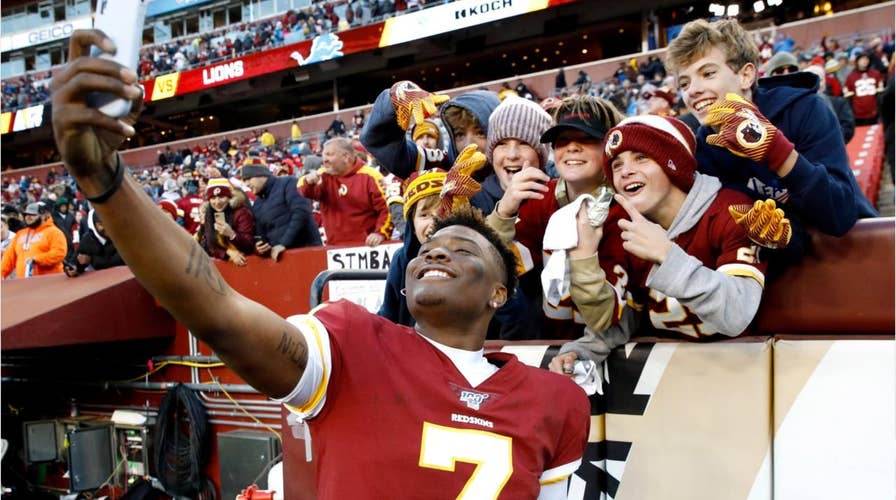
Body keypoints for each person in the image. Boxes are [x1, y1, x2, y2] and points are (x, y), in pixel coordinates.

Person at [49, 29, 591, 497]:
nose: (438, 249)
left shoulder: (553, 399)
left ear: (501, 292)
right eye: (426, 248)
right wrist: (106, 181)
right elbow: (215, 309)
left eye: (465, 248)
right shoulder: (351, 344)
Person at [548, 115, 767, 372]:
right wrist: (583, 352)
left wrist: (667, 254)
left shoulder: (733, 209)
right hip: (673, 376)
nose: (625, 171)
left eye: (641, 157)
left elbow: (736, 312)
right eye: (616, 165)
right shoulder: (625, 227)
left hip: (751, 372)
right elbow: (629, 317)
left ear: (674, 164)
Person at [665, 18, 876, 270]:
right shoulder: (703, 153)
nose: (693, 90)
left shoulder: (805, 109)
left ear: (746, 75)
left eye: (708, 73)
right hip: (795, 282)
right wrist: (777, 236)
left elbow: (839, 215)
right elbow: (786, 238)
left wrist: (779, 153)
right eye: (684, 83)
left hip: (863, 258)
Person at [486, 95, 623, 339]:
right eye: (562, 140)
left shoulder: (626, 207)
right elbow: (489, 264)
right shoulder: (541, 198)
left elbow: (605, 320)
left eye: (587, 138)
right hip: (549, 345)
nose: (572, 147)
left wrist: (584, 258)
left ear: (610, 146)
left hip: (620, 352)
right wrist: (504, 211)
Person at [360, 81, 502, 213]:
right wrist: (393, 101)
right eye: (459, 134)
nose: (470, 144)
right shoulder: (443, 165)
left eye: (480, 132)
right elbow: (379, 142)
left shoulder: (517, 165)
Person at [298, 137, 392, 247]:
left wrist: (381, 233)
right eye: (323, 155)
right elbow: (304, 191)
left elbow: (388, 208)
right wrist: (307, 182)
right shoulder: (323, 175)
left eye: (329, 154)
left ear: (346, 157)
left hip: (367, 249)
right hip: (334, 249)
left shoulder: (371, 176)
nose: (324, 159)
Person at [241, 155, 322, 260]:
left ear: (261, 175)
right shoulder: (257, 203)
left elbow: (301, 213)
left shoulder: (289, 183)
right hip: (281, 259)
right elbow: (260, 233)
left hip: (306, 252)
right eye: (244, 180)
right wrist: (260, 248)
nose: (246, 184)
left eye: (249, 178)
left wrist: (284, 243)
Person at [196, 178, 256, 266]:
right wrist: (229, 252)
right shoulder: (209, 214)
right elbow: (210, 245)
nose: (217, 202)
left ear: (229, 197)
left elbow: (249, 246)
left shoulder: (241, 213)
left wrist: (232, 235)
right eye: (213, 198)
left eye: (221, 197)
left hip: (247, 264)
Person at [1, 202, 67, 279]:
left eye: (32, 215)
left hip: (49, 282)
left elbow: (59, 254)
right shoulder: (20, 234)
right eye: (26, 215)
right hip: (24, 282)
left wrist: (37, 259)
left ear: (43, 216)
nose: (28, 217)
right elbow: (9, 257)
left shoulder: (54, 232)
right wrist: (2, 273)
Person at [803, 65, 855, 144]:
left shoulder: (839, 103)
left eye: (819, 80)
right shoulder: (800, 107)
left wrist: (832, 143)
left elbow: (848, 128)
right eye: (811, 80)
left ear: (825, 82)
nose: (816, 84)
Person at [64, 209, 124, 276]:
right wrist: (74, 268)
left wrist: (91, 259)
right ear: (93, 226)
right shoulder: (88, 240)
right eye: (101, 224)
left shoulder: (121, 235)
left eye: (108, 222)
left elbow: (117, 261)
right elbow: (77, 260)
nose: (107, 227)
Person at [844, 51, 885, 125]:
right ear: (857, 61)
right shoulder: (851, 77)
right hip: (858, 114)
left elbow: (881, 92)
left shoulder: (876, 74)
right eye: (862, 59)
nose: (865, 61)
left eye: (866, 59)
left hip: (874, 112)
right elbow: (847, 96)